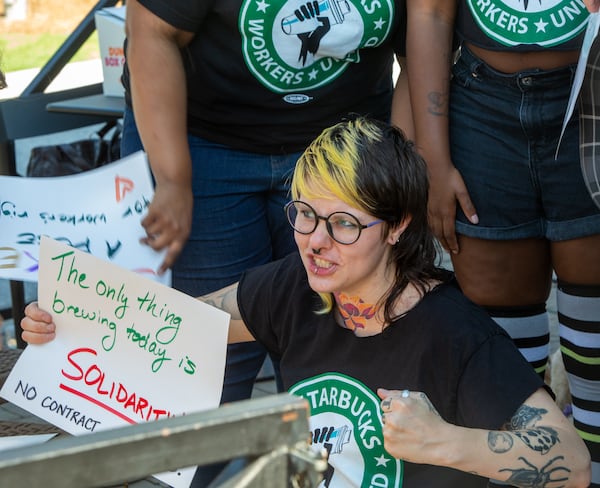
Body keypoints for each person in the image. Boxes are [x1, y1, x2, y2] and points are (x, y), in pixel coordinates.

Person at [21, 117, 591, 488]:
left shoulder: (454, 333)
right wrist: (69, 323)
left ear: (397, 227)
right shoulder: (295, 287)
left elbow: (571, 461)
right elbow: (176, 326)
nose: (315, 241)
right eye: (303, 214)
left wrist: (446, 441)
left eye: (344, 224)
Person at [120, 1, 412, 482]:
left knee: (333, 343)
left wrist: (400, 173)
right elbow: (151, 30)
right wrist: (173, 178)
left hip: (342, 142)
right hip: (202, 139)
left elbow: (424, 44)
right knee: (211, 354)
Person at [406, 1, 600, 486]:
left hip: (590, 92)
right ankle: (527, 476)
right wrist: (433, 160)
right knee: (505, 347)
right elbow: (429, 13)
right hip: (481, 105)